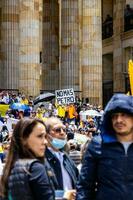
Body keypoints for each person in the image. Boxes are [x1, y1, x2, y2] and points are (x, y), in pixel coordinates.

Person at [76, 93, 133, 200]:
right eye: (114, 116)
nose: (119, 120)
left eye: (124, 115)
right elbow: (85, 186)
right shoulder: (97, 144)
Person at [1, 118, 54, 200]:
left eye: (45, 137)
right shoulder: (36, 168)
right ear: (24, 139)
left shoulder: (9, 169)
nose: (45, 142)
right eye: (40, 136)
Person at [45, 117, 79, 199]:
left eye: (64, 130)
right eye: (57, 130)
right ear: (46, 135)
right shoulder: (41, 159)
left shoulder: (66, 158)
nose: (62, 133)